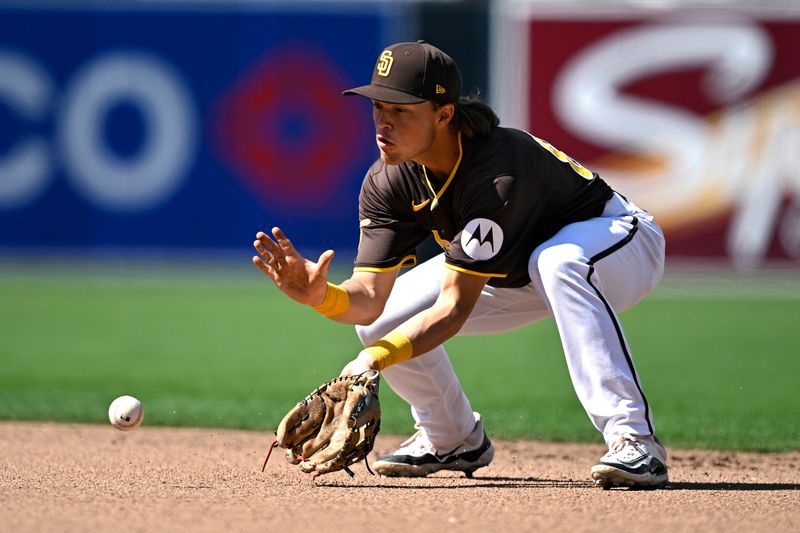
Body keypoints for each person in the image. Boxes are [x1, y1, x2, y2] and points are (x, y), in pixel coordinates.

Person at [252, 41, 668, 489]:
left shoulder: (497, 172)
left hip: (618, 245)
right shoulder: (388, 179)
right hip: (516, 270)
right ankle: (451, 438)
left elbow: (453, 308)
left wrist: (374, 360)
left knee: (559, 261)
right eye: (377, 107)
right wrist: (322, 296)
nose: (383, 122)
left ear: (444, 114)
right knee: (385, 321)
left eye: (401, 110)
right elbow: (370, 300)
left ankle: (634, 440)